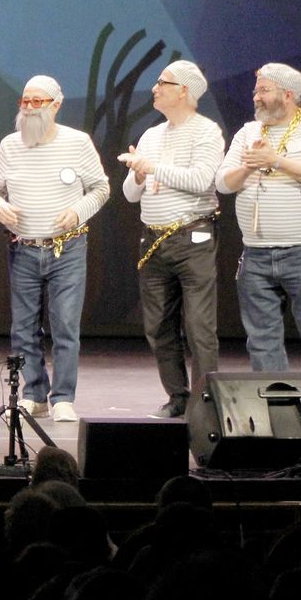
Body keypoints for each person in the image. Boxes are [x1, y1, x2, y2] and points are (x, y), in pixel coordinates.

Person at [0, 75, 110, 423]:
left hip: (66, 249)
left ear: (56, 104)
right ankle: (34, 394)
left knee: (65, 325)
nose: (29, 107)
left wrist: (77, 211)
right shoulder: (10, 145)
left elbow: (100, 188)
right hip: (23, 248)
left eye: (38, 101)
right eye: (25, 101)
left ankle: (64, 397)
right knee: (23, 328)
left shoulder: (77, 142)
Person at [216, 63, 301, 374]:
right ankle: (277, 412)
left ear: (287, 95)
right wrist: (248, 167)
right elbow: (222, 182)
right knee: (261, 342)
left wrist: (275, 160)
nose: (256, 97)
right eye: (255, 90)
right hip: (256, 255)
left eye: (263, 90)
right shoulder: (248, 132)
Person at [117, 60, 225, 418]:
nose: (154, 88)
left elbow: (201, 180)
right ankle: (177, 395)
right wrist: (136, 173)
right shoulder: (152, 134)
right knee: (158, 325)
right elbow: (132, 195)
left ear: (185, 91)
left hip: (193, 238)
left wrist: (152, 168)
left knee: (198, 327)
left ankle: (204, 402)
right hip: (153, 241)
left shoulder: (206, 131)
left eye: (163, 82)